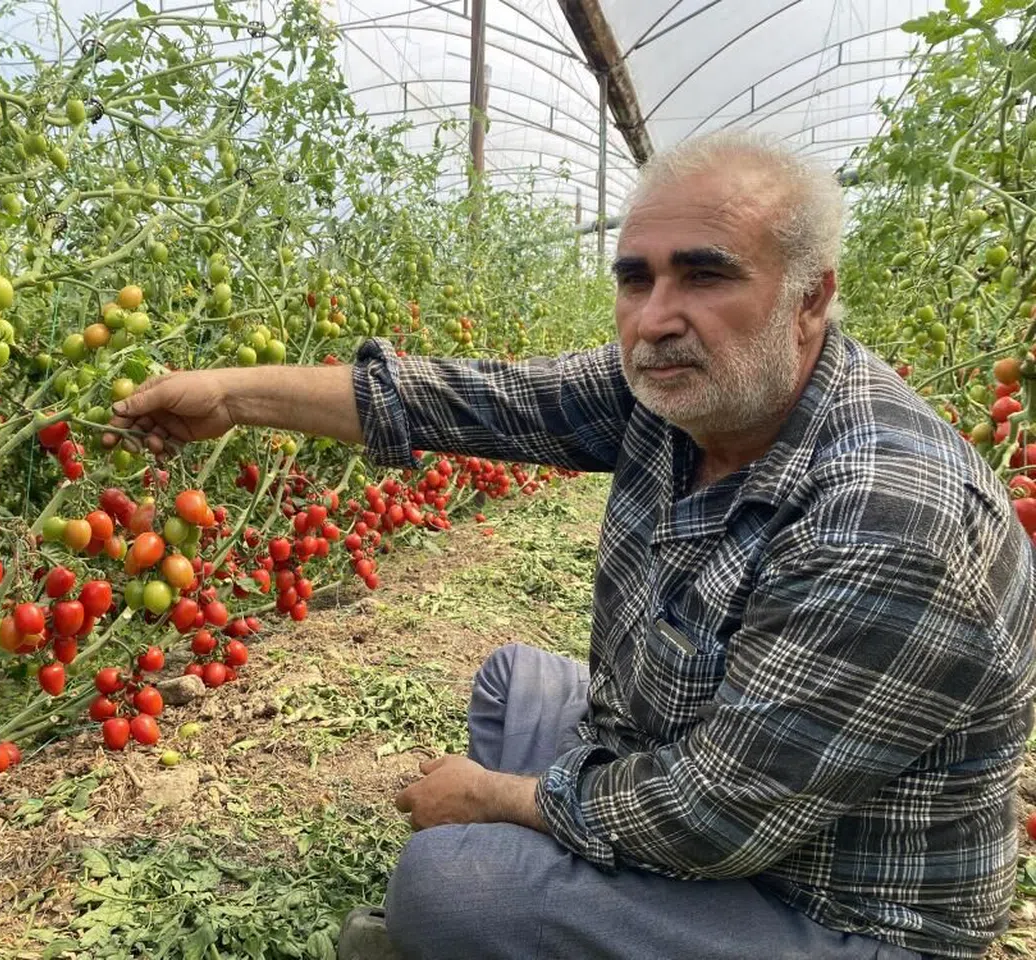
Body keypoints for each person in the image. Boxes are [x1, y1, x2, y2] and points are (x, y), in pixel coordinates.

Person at [105, 131, 1036, 960]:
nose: (656, 316)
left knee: (446, 885)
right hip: (719, 772)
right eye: (637, 278)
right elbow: (470, 399)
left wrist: (500, 801)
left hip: (833, 904)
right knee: (514, 682)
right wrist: (233, 397)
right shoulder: (682, 393)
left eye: (705, 275)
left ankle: (499, 900)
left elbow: (713, 819)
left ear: (811, 298)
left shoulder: (888, 517)